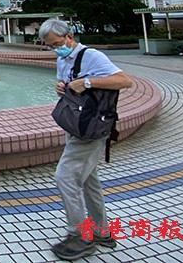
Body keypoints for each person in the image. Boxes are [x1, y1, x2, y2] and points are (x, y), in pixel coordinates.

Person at [38, 18, 133, 261]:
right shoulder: (63, 59)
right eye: (50, 46)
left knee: (65, 176)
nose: (55, 49)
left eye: (57, 44)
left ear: (69, 37)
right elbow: (69, 87)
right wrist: (61, 87)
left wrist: (87, 82)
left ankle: (80, 236)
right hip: (76, 126)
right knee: (89, 181)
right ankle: (101, 232)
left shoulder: (91, 56)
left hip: (92, 129)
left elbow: (125, 80)